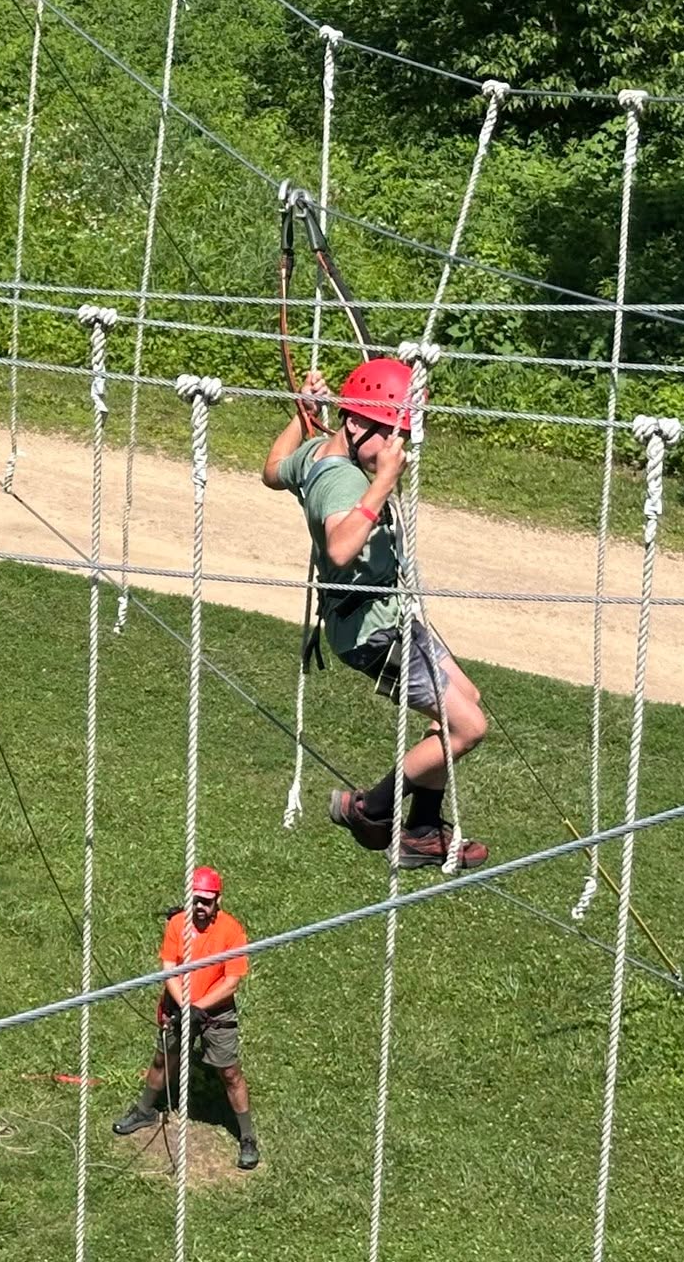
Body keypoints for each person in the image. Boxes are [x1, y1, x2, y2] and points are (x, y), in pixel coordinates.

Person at [262, 360, 489, 869]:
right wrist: (383, 481)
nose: (395, 448)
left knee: (463, 704)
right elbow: (342, 550)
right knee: (468, 728)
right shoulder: (343, 481)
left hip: (381, 618)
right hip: (373, 629)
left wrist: (303, 415)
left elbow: (273, 469)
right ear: (357, 423)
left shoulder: (316, 453)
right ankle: (372, 809)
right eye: (388, 434)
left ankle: (424, 828)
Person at [112, 867, 260, 1171]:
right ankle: (145, 1111)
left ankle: (246, 1136)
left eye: (206, 901)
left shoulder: (232, 931)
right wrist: (184, 1006)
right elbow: (169, 966)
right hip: (179, 1004)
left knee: (229, 1072)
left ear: (218, 900)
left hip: (216, 1012)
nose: (200, 907)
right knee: (162, 1060)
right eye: (195, 900)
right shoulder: (178, 924)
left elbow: (231, 982)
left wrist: (198, 1008)